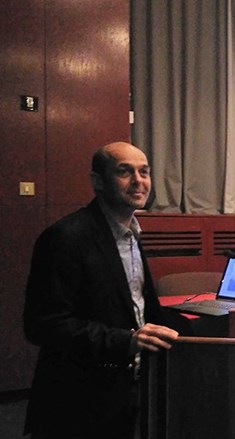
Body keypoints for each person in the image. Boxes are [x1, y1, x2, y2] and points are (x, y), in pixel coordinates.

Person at [23, 142, 190, 439]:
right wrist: (126, 340)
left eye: (144, 172)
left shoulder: (132, 234)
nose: (138, 181)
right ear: (97, 181)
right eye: (125, 172)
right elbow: (43, 326)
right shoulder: (65, 238)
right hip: (78, 401)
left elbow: (137, 308)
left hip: (127, 389)